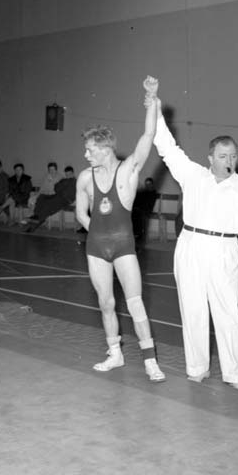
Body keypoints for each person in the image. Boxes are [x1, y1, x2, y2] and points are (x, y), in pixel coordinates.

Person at [153, 99, 238, 392]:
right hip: (191, 245)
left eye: (233, 156)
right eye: (223, 156)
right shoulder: (193, 175)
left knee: (228, 313)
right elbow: (166, 147)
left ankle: (234, 374)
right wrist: (155, 109)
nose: (229, 161)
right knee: (193, 310)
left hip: (224, 250)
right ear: (210, 157)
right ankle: (197, 368)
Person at [75, 76, 165, 383]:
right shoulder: (85, 178)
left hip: (124, 246)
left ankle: (150, 361)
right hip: (96, 247)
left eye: (90, 150)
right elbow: (80, 213)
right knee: (106, 303)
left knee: (135, 302)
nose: (86, 155)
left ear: (104, 149)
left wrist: (152, 98)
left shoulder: (128, 170)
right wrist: (96, 232)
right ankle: (115, 354)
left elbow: (148, 135)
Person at [24, 166, 77, 232]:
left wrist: (61, 186)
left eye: (69, 174)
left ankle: (35, 224)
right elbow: (56, 188)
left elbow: (67, 192)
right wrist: (62, 186)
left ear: (73, 173)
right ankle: (36, 215)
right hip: (57, 196)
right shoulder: (63, 180)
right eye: (67, 174)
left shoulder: (75, 181)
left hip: (65, 199)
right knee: (42, 197)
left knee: (48, 205)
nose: (68, 176)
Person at [131, 177, 158, 244]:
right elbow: (138, 200)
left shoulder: (153, 192)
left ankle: (139, 236)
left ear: (152, 184)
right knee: (134, 214)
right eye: (146, 184)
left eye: (149, 184)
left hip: (147, 210)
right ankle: (135, 235)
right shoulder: (144, 192)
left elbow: (149, 204)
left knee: (139, 215)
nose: (148, 185)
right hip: (140, 209)